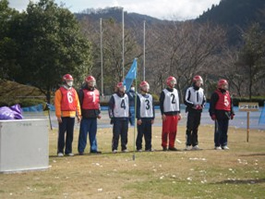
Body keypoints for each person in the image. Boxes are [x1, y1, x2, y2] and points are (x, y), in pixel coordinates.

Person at [54, 74, 81, 157]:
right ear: (65, 81)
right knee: (62, 133)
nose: (70, 82)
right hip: (63, 115)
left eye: (71, 81)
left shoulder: (74, 91)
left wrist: (79, 114)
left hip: (72, 114)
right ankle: (60, 150)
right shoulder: (59, 91)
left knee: (70, 133)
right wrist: (58, 115)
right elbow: (57, 104)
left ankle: (68, 150)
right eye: (69, 81)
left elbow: (77, 103)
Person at [78, 75, 101, 155]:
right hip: (85, 115)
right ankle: (81, 149)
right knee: (83, 134)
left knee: (93, 134)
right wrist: (79, 114)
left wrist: (98, 113)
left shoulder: (97, 91)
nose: (92, 83)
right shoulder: (82, 91)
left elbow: (98, 103)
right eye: (91, 82)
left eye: (93, 82)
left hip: (94, 115)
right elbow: (79, 104)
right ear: (87, 82)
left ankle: (94, 148)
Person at [209, 79, 235, 150]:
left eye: (225, 85)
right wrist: (212, 114)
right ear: (220, 86)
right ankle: (217, 144)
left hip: (226, 113)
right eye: (223, 85)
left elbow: (231, 104)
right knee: (218, 130)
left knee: (225, 130)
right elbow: (212, 105)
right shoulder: (215, 94)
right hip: (218, 113)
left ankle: (224, 144)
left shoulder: (228, 94)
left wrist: (232, 113)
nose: (224, 86)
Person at [159, 76, 181, 151]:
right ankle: (164, 145)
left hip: (175, 113)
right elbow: (161, 103)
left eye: (174, 82)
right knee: (165, 131)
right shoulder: (164, 92)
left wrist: (179, 112)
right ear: (168, 83)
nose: (173, 83)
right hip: (167, 113)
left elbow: (178, 102)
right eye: (172, 82)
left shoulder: (176, 91)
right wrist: (162, 113)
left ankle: (172, 145)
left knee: (173, 131)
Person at [184, 75, 206, 150]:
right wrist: (193, 105)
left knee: (196, 128)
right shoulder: (189, 90)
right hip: (191, 110)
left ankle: (195, 144)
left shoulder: (202, 90)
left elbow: (204, 100)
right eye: (198, 81)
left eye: (200, 81)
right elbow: (186, 100)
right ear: (195, 82)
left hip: (198, 111)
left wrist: (202, 106)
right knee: (189, 127)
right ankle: (188, 143)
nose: (199, 83)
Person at [108, 82, 130, 153]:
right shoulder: (114, 96)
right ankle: (114, 147)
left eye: (123, 88)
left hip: (125, 117)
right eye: (121, 88)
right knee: (116, 134)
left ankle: (124, 147)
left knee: (124, 134)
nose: (123, 89)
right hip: (117, 118)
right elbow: (110, 107)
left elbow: (127, 106)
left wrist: (129, 116)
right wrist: (112, 117)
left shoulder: (126, 96)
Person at [136, 81, 155, 152]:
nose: (146, 88)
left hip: (149, 117)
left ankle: (148, 147)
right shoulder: (139, 96)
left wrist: (153, 117)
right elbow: (137, 108)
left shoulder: (150, 96)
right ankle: (139, 147)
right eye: (145, 86)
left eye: (147, 86)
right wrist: (138, 118)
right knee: (140, 133)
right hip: (142, 117)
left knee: (148, 134)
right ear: (141, 88)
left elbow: (152, 107)